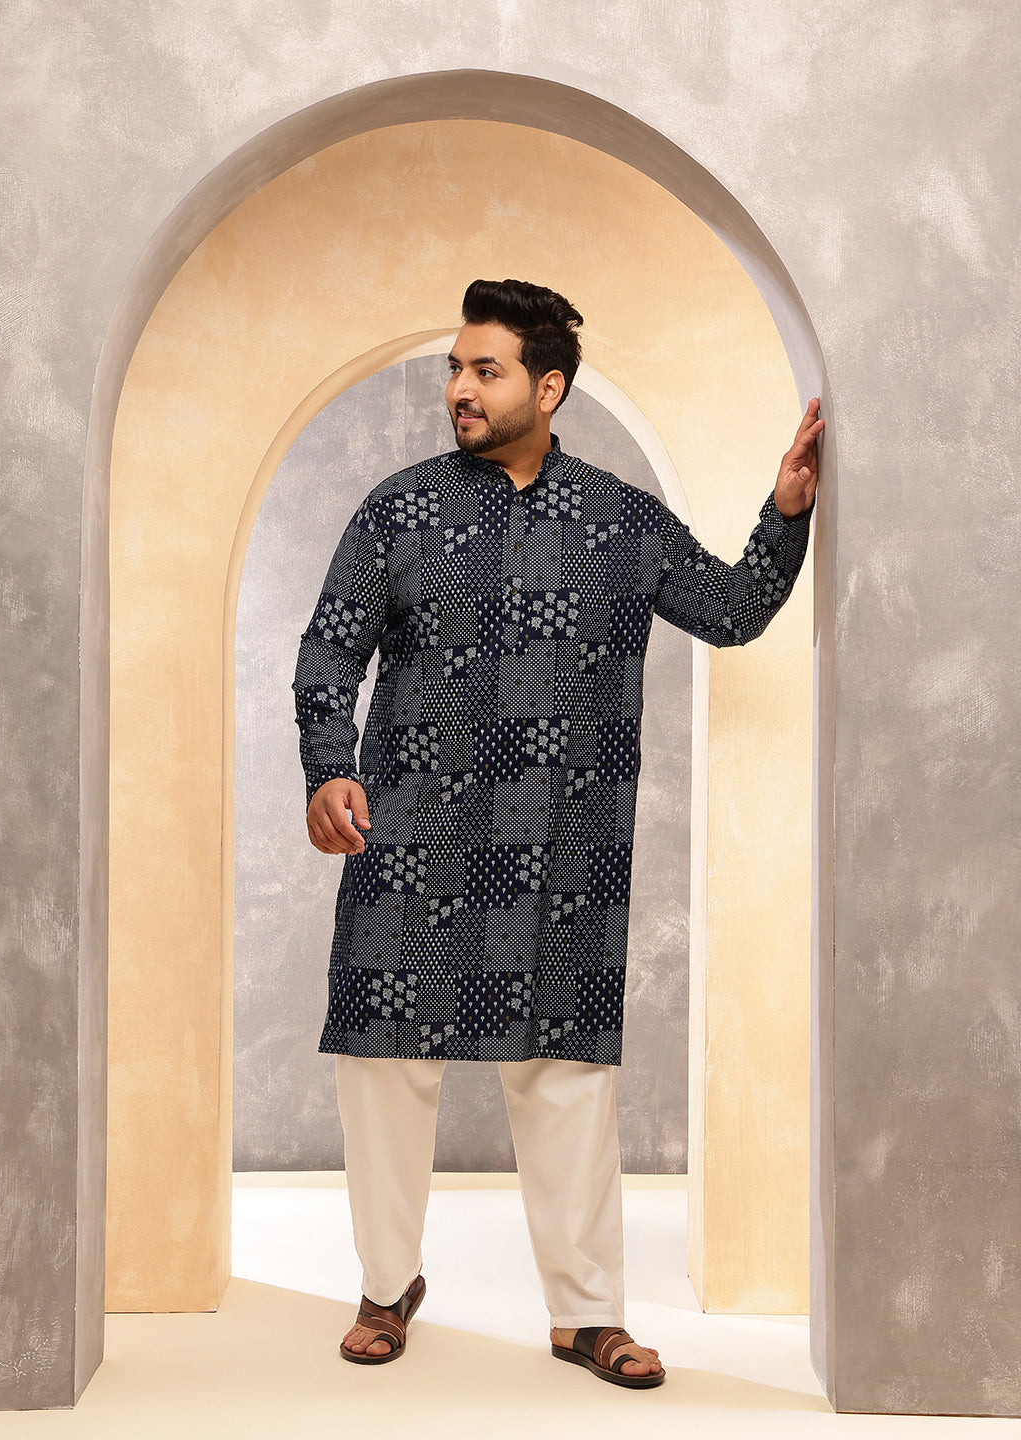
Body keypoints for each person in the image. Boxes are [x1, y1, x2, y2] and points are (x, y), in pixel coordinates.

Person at [292, 278, 822, 1388]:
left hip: (562, 848)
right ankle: (385, 1287)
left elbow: (730, 611)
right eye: (455, 368)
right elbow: (331, 647)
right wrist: (329, 767)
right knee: (384, 1067)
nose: (459, 388)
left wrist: (784, 515)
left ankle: (587, 1317)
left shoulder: (621, 520)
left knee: (566, 1074)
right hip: (414, 835)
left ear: (548, 387)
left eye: (484, 371)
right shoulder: (399, 511)